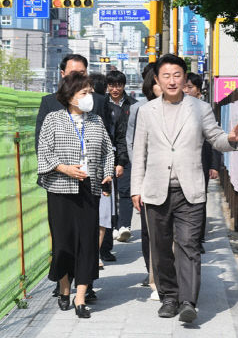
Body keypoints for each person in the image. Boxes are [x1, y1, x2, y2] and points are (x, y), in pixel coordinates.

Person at [131, 54, 238, 323]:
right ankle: (169, 298)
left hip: (190, 190)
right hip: (155, 190)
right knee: (160, 249)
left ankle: (188, 301)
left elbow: (216, 138)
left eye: (177, 75)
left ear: (185, 78)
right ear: (157, 80)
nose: (172, 81)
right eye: (166, 76)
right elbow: (140, 152)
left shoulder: (200, 108)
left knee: (189, 245)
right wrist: (135, 189)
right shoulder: (146, 112)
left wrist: (231, 139)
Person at [37, 72, 115, 319]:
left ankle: (80, 296)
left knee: (87, 243)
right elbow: (44, 152)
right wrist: (64, 168)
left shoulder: (95, 121)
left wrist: (108, 172)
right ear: (70, 97)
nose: (89, 97)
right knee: (62, 244)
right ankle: (64, 288)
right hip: (61, 189)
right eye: (84, 93)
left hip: (89, 188)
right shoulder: (53, 120)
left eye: (90, 92)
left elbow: (107, 151)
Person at [124, 64, 162, 296]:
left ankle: (166, 274)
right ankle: (152, 273)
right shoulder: (139, 109)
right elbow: (131, 142)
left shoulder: (185, 107)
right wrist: (139, 172)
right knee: (149, 229)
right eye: (158, 80)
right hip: (148, 177)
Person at [185, 73, 222, 253]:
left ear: (199, 91)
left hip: (202, 161)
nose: (186, 90)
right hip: (181, 165)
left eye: (190, 87)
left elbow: (214, 138)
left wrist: (214, 165)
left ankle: (197, 239)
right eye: (184, 86)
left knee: (199, 199)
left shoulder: (204, 109)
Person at [105, 70, 137, 243]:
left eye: (118, 85)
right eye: (111, 85)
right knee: (109, 191)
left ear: (124, 86)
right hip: (108, 153)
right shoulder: (102, 104)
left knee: (125, 190)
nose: (115, 89)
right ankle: (113, 226)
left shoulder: (133, 105)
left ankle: (125, 226)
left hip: (129, 153)